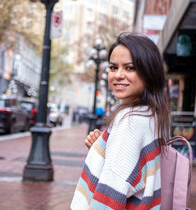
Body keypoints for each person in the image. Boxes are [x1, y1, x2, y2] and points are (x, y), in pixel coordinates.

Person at [70, 32, 170, 209]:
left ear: (149, 72)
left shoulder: (129, 121)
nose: (118, 75)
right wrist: (103, 149)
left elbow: (109, 198)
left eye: (129, 68)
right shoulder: (151, 114)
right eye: (113, 67)